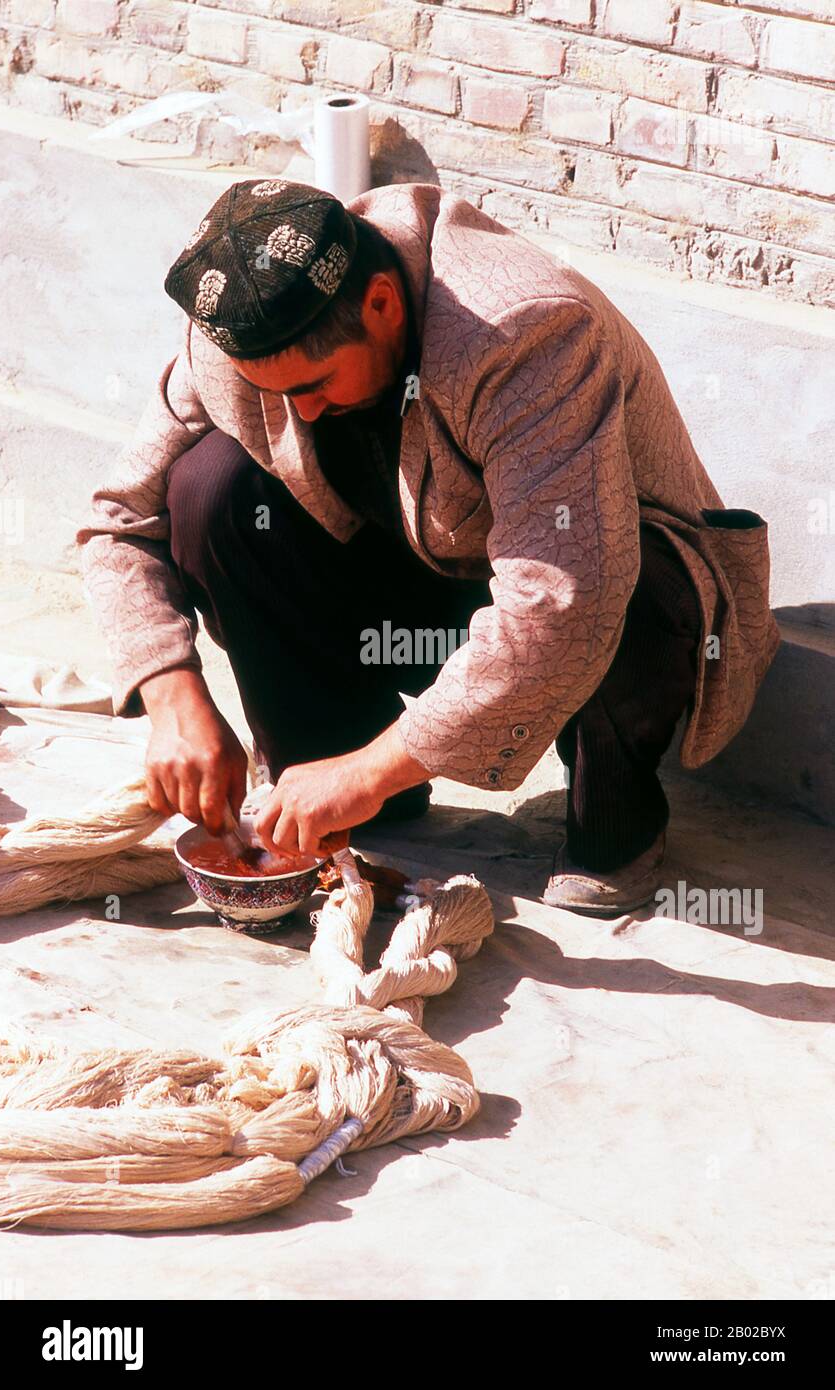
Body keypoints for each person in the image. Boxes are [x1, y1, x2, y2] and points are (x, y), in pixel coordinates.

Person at [77, 179, 779, 915]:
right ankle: (334, 775)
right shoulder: (240, 332)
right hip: (425, 573)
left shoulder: (524, 332)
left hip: (614, 607)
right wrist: (172, 692)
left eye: (314, 384)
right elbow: (118, 515)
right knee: (211, 488)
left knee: (616, 578)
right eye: (275, 392)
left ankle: (614, 815)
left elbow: (560, 599)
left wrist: (370, 768)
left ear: (380, 304)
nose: (299, 411)